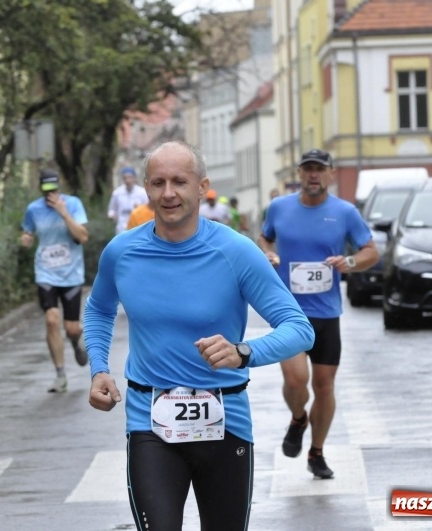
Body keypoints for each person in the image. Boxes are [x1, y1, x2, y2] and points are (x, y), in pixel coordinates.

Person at [84, 141, 314, 530]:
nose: (168, 193)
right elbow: (99, 308)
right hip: (149, 422)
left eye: (179, 181)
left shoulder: (235, 251)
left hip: (225, 422)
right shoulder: (122, 252)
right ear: (146, 188)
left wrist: (243, 352)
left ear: (202, 187)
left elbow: (299, 329)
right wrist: (98, 368)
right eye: (158, 182)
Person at [257, 149, 379, 479]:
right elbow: (264, 238)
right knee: (295, 380)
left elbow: (371, 251)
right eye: (308, 169)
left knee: (324, 387)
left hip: (327, 314)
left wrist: (349, 262)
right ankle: (298, 418)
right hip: (288, 312)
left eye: (319, 169)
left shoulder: (345, 212)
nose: (314, 174)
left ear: (330, 174)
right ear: (299, 173)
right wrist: (268, 254)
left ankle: (317, 452)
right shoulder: (279, 207)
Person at [19, 168, 90, 393]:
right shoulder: (33, 209)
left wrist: (63, 213)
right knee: (51, 320)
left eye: (53, 188)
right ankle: (60, 375)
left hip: (71, 275)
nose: (50, 193)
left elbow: (83, 237)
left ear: (59, 186)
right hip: (45, 273)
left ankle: (76, 340)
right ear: (40, 188)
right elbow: (28, 232)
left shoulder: (73, 204)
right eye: (46, 189)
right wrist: (26, 239)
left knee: (71, 328)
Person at [108, 166, 149, 234]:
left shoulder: (142, 193)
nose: (128, 181)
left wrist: (140, 208)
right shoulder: (117, 193)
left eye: (130, 177)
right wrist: (112, 216)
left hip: (138, 228)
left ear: (134, 178)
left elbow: (149, 208)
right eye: (125, 178)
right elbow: (112, 210)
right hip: (121, 229)